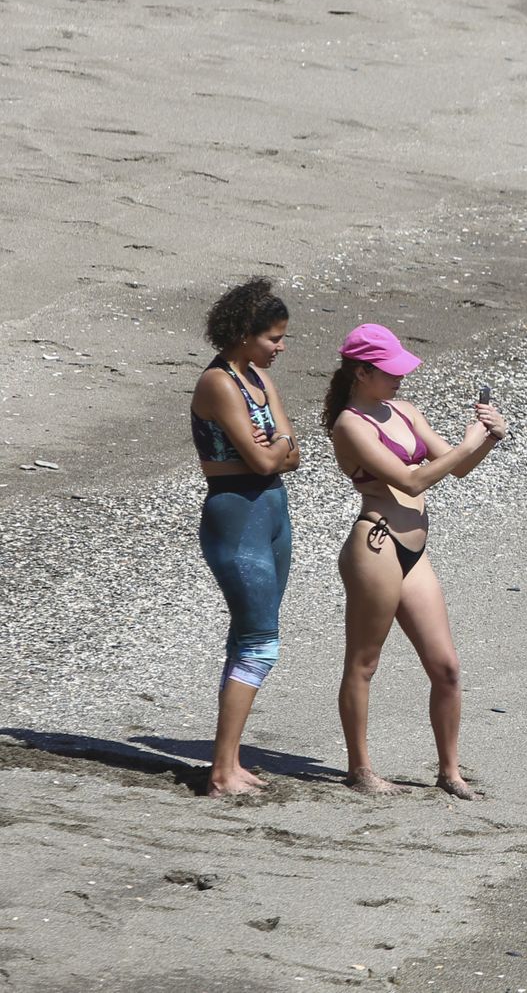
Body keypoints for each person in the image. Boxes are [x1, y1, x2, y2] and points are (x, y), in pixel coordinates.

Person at [323, 324, 506, 799]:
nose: (400, 379)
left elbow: (458, 465)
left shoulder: (404, 411)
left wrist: (488, 438)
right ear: (362, 372)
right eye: (390, 371)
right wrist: (468, 444)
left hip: (414, 553)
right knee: (364, 664)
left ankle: (450, 772)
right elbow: (411, 481)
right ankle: (360, 769)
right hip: (377, 549)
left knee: (445, 667)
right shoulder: (349, 424)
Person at [190, 277, 301, 797]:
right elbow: (263, 457)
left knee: (248, 639)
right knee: (260, 644)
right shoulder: (217, 383)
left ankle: (227, 763)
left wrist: (275, 443)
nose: (279, 348)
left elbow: (292, 456)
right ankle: (219, 772)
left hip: (273, 511)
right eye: (273, 338)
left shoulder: (255, 377)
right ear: (242, 333)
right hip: (236, 515)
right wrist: (276, 443)